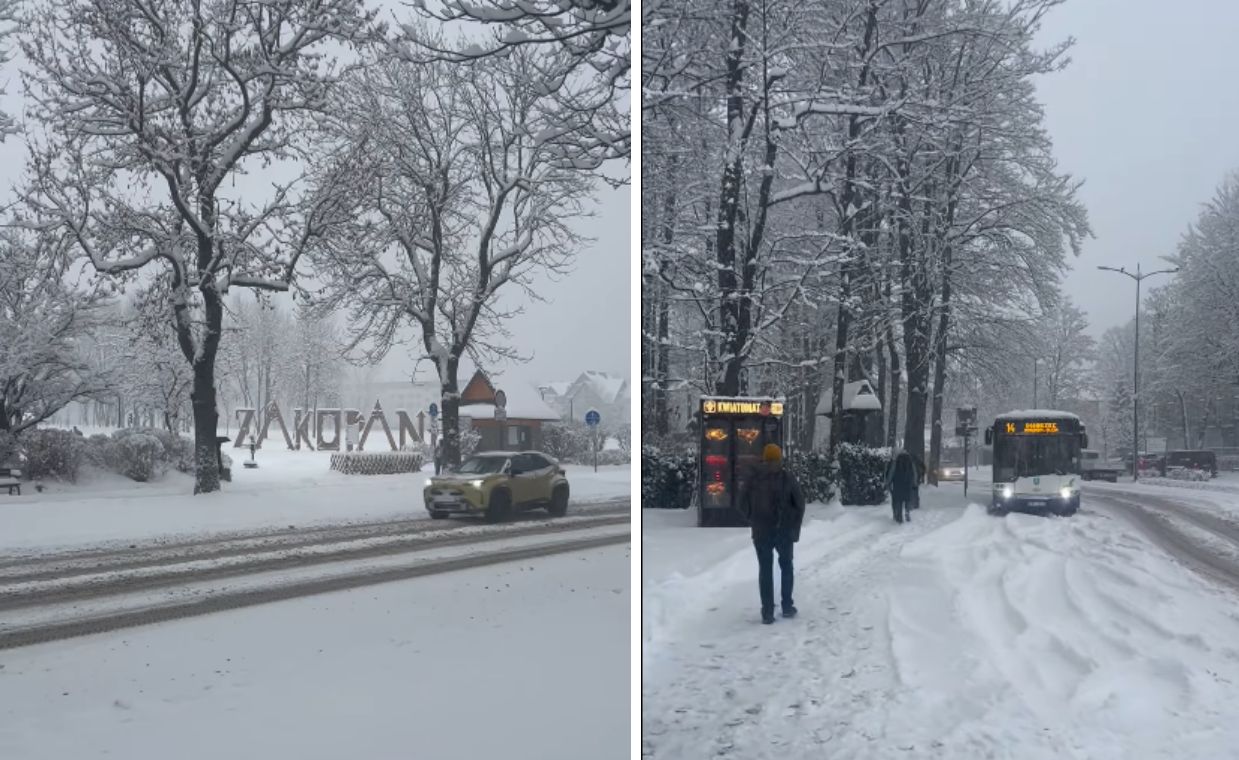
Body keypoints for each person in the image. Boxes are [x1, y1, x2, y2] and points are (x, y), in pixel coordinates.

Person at [739, 443, 806, 625]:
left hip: (761, 531)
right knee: (786, 566)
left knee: (765, 570)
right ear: (779, 459)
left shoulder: (753, 479)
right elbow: (800, 504)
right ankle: (786, 606)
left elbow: (741, 502)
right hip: (783, 530)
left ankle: (767, 612)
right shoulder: (787, 478)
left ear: (764, 458)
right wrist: (794, 529)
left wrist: (752, 519)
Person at [885, 450, 919, 523]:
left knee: (898, 500)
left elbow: (891, 472)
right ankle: (907, 512)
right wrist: (914, 482)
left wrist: (888, 482)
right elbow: (914, 472)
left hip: (898, 483)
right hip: (908, 483)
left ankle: (899, 516)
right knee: (907, 499)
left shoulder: (896, 461)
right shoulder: (910, 461)